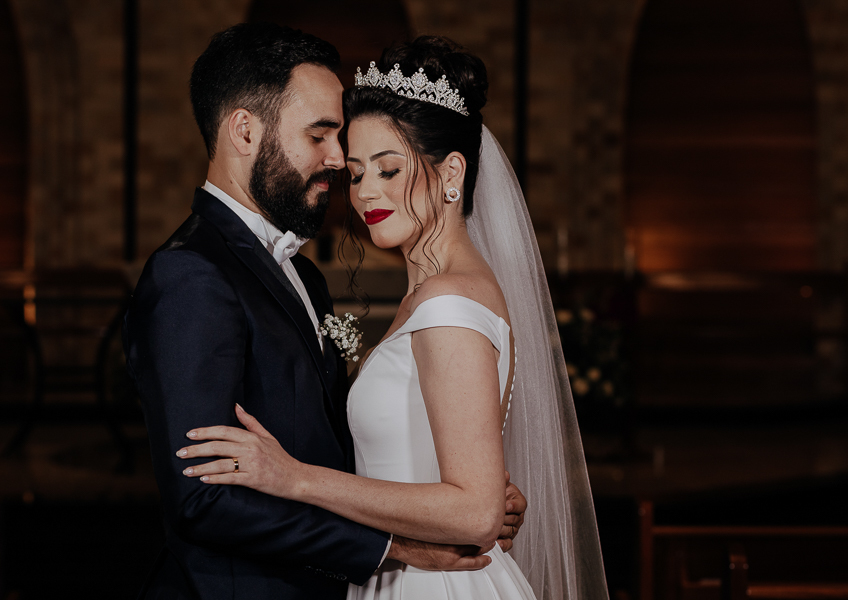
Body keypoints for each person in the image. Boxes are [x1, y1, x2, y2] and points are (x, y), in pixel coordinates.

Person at [179, 36, 609, 600]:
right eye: (356, 174)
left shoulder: (448, 301)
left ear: (451, 170)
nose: (365, 194)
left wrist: (295, 477)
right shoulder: (431, 295)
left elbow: (475, 513)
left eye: (388, 169)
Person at [123, 24, 525, 600]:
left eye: (375, 164)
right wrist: (399, 545)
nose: (340, 165)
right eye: (321, 135)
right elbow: (203, 497)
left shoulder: (305, 277)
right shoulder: (190, 273)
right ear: (244, 130)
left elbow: (333, 440)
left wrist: (463, 497)